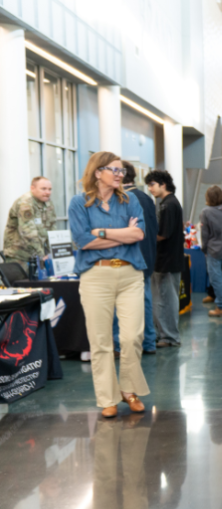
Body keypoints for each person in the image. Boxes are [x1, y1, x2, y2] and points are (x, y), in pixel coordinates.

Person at [67, 152, 150, 418]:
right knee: (101, 341)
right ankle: (107, 398)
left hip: (130, 275)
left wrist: (101, 233)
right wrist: (121, 235)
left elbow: (138, 233)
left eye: (122, 171)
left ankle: (128, 389)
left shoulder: (130, 200)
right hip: (96, 276)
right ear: (97, 171)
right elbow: (82, 240)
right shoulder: (78, 203)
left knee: (132, 336)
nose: (119, 175)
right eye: (114, 170)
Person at [112, 162, 158, 354]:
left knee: (119, 303)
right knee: (145, 299)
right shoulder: (147, 198)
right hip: (146, 256)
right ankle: (149, 341)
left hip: (128, 258)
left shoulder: (123, 199)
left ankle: (117, 344)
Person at [146, 170, 185, 349]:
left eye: (152, 184)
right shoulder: (168, 203)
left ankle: (169, 337)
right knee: (164, 298)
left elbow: (163, 234)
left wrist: (143, 237)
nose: (150, 188)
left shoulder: (168, 205)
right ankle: (166, 334)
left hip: (167, 260)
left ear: (163, 184)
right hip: (166, 259)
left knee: (166, 299)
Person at [3, 176, 56, 274]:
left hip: (37, 255)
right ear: (33, 188)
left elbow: (52, 229)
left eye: (49, 189)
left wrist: (52, 253)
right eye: (43, 189)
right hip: (19, 255)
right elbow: (28, 233)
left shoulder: (48, 203)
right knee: (21, 286)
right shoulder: (25, 202)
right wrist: (41, 256)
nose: (47, 192)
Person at [200, 186, 222, 318]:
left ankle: (221, 306)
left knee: (216, 278)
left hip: (213, 249)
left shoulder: (206, 212)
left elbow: (205, 234)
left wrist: (204, 248)